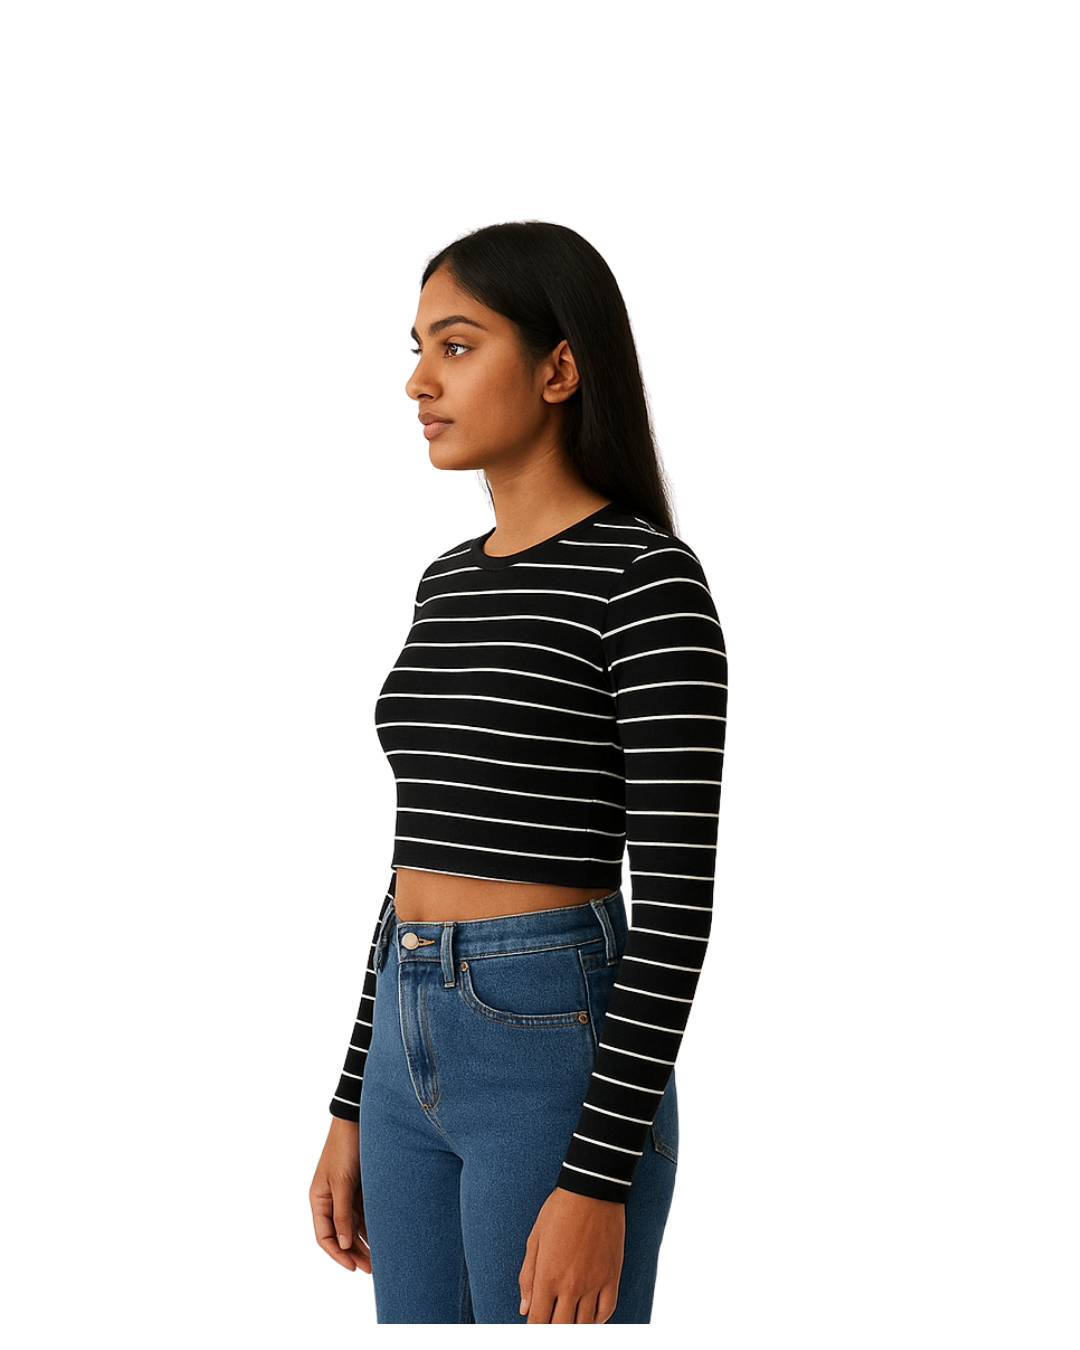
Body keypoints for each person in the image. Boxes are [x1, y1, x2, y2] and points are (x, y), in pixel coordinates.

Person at [308, 221, 728, 1324]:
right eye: (417, 349)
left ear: (558, 369)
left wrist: (598, 1179)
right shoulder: (444, 583)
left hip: (550, 1052)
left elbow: (676, 909)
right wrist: (352, 1100)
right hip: (403, 1040)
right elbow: (415, 861)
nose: (418, 381)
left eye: (455, 346)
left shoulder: (645, 581)